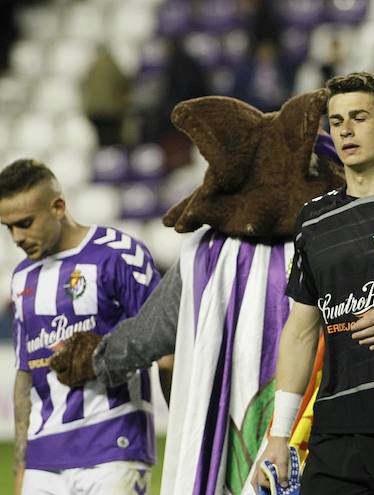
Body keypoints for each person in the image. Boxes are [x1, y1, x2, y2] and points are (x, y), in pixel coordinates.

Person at [47, 88, 347, 494]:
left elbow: (149, 333)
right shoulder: (343, 235)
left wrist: (93, 359)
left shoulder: (206, 258)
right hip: (342, 431)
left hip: (241, 441)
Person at [254, 72, 374, 494]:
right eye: (336, 120)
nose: (344, 129)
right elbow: (300, 331)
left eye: (358, 117)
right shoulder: (313, 220)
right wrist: (279, 436)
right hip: (336, 428)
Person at [1, 159, 159, 494]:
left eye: (25, 223)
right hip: (43, 459)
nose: (16, 237)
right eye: (8, 227)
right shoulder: (21, 278)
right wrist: (21, 466)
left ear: (58, 207)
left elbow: (166, 345)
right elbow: (25, 373)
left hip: (112, 446)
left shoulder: (119, 255)